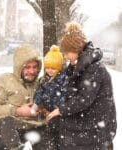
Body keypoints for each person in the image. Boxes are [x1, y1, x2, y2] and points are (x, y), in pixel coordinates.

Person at [47, 21, 117, 150]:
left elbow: (83, 99)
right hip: (89, 121)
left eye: (67, 52)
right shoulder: (79, 66)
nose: (66, 56)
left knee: (58, 131)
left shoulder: (94, 68)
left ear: (76, 50)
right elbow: (69, 92)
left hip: (95, 126)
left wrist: (61, 110)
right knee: (52, 128)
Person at [0, 44, 53, 150]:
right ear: (19, 67)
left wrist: (42, 111)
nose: (32, 71)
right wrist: (17, 111)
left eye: (34, 67)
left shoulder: (40, 84)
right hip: (6, 130)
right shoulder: (3, 81)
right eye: (27, 67)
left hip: (31, 126)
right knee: (6, 123)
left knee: (48, 132)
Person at [31, 45, 68, 149]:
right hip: (47, 111)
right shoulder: (45, 79)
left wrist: (58, 108)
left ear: (59, 68)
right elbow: (40, 92)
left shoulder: (63, 79)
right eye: (47, 68)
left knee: (56, 129)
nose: (50, 71)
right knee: (46, 129)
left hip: (58, 112)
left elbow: (64, 95)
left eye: (53, 68)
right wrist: (36, 104)